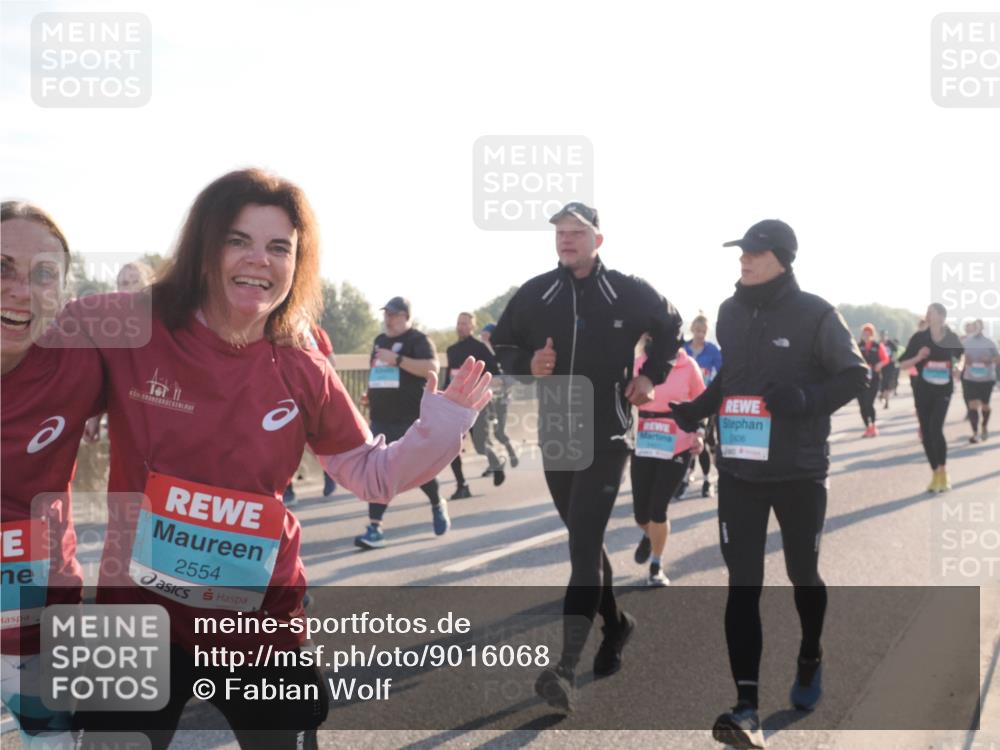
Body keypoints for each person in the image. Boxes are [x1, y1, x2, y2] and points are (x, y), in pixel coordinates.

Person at [20, 170, 491, 749]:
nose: (258, 260)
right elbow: (27, 358)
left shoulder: (301, 362)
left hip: (258, 620)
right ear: (204, 248)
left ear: (298, 263)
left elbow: (373, 474)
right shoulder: (124, 323)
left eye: (278, 247)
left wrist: (441, 426)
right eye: (237, 240)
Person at [668, 219, 867, 749]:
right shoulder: (731, 312)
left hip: (799, 473)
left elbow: (855, 375)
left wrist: (804, 399)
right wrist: (697, 409)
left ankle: (810, 655)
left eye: (753, 253)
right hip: (739, 470)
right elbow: (732, 375)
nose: (743, 260)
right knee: (743, 585)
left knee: (804, 575)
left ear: (780, 257)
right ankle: (747, 707)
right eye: (741, 253)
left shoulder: (817, 314)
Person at [492, 201, 683, 712]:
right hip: (558, 432)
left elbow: (671, 327)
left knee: (581, 550)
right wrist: (528, 363)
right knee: (584, 538)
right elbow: (501, 347)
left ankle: (564, 669)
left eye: (577, 231)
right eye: (559, 231)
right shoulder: (536, 293)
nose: (566, 239)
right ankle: (617, 626)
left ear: (598, 239)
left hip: (608, 435)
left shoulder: (629, 290)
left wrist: (651, 375)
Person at [1, 202, 100, 749]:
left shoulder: (80, 360)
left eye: (43, 275)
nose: (21, 289)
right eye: (2, 267)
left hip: (41, 615)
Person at [354, 296, 454, 548]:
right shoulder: (380, 341)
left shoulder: (418, 340)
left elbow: (432, 368)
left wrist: (397, 359)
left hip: (410, 418)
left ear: (406, 317)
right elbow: (377, 370)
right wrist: (371, 392)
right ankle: (375, 528)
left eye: (394, 314)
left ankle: (436, 503)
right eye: (386, 314)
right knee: (378, 470)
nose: (388, 319)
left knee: (418, 471)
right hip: (381, 418)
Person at [630, 335, 705, 586]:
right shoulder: (638, 364)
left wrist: (701, 434)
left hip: (678, 442)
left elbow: (702, 403)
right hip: (644, 440)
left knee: (657, 508)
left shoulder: (688, 366)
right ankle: (651, 535)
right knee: (640, 513)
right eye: (649, 337)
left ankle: (656, 565)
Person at [897, 304, 964, 492]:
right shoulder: (919, 338)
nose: (927, 316)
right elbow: (902, 364)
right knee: (926, 432)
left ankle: (944, 472)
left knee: (936, 427)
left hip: (943, 389)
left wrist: (959, 366)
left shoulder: (951, 338)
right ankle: (935, 472)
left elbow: (961, 356)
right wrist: (918, 357)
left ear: (942, 316)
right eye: (927, 313)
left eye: (931, 313)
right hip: (923, 390)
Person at [447, 312, 505, 499]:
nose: (460, 326)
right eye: (458, 323)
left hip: (475, 403)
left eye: (464, 323)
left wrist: (484, 391)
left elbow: (495, 373)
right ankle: (461, 485)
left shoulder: (479, 348)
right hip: (455, 405)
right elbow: (449, 376)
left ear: (472, 327)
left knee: (480, 445)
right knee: (451, 446)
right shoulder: (451, 350)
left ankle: (496, 464)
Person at [284, 322, 338, 505]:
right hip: (285, 397)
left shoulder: (316, 332)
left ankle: (329, 471)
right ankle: (287, 490)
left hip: (311, 397)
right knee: (283, 443)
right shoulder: (275, 328)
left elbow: (331, 362)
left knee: (311, 442)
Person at [683, 313, 723, 497]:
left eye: (704, 331)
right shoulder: (684, 349)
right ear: (692, 330)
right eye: (698, 330)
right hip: (687, 400)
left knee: (707, 440)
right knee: (686, 440)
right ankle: (686, 475)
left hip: (706, 402)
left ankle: (708, 479)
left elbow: (722, 372)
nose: (700, 334)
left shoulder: (712, 350)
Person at [480, 322, 519, 468]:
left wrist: (499, 382)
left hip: (501, 400)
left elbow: (512, 378)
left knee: (499, 433)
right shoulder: (481, 356)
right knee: (482, 435)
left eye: (487, 337)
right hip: (484, 400)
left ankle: (511, 454)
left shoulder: (504, 356)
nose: (484, 341)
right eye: (482, 337)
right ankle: (494, 463)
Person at [959, 319, 998, 443]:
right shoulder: (966, 342)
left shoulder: (989, 342)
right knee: (972, 405)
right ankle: (975, 433)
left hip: (986, 379)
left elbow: (998, 359)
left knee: (985, 406)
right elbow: (959, 358)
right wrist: (965, 361)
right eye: (974, 326)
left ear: (982, 328)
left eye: (978, 327)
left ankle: (984, 426)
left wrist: (989, 360)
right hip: (970, 378)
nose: (976, 329)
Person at [856, 323, 889, 437]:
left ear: (872, 334)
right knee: (862, 405)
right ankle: (867, 427)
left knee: (869, 403)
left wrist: (880, 364)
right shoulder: (857, 346)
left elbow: (885, 359)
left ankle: (874, 426)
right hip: (860, 379)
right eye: (864, 333)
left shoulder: (877, 345)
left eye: (869, 333)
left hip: (874, 378)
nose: (866, 335)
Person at [878, 330, 900, 408]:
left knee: (887, 384)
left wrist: (893, 360)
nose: (883, 337)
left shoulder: (891, 344)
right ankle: (882, 394)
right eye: (881, 335)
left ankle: (886, 402)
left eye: (884, 335)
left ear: (886, 336)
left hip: (890, 367)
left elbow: (895, 352)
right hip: (881, 367)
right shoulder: (878, 344)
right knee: (881, 384)